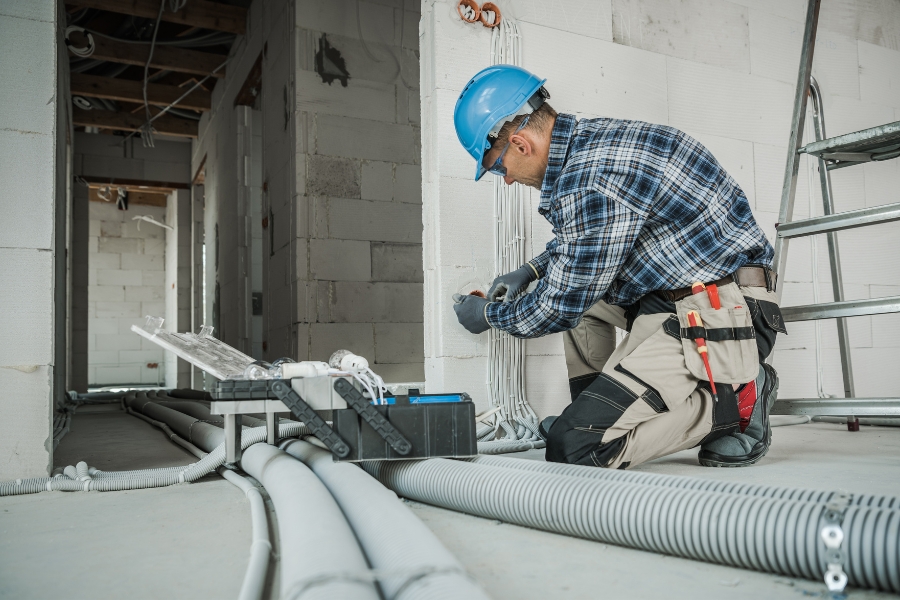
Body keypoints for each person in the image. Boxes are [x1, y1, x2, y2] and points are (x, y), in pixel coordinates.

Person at [451, 65, 787, 469]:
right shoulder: (590, 143)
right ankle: (593, 415)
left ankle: (741, 401)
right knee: (581, 298)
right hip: (678, 296)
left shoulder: (590, 179)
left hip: (726, 313)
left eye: (498, 169)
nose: (505, 181)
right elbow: (589, 242)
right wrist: (531, 271)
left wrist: (489, 315)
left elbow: (560, 304)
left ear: (521, 144)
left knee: (574, 449)